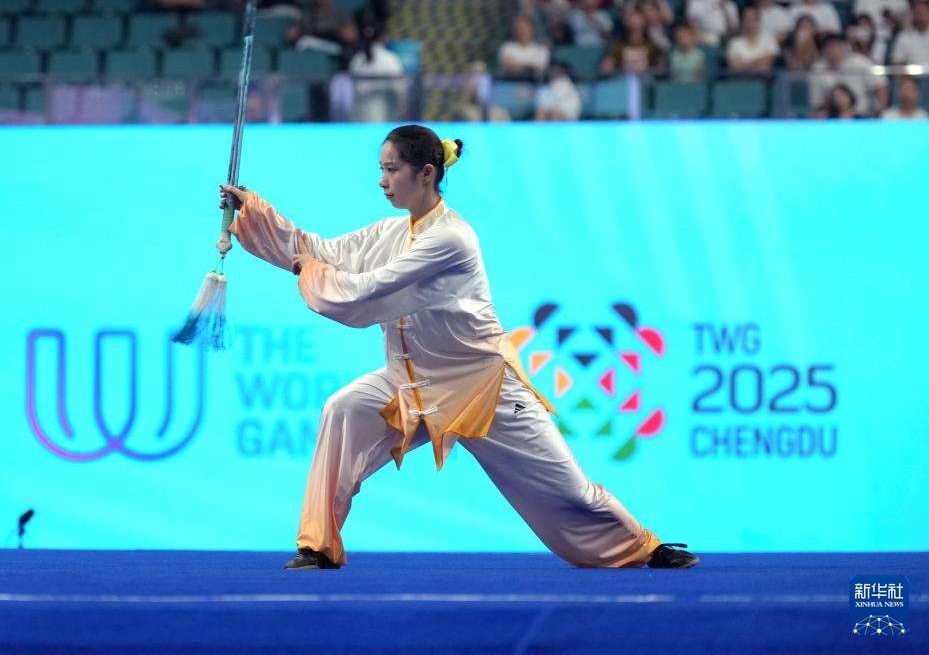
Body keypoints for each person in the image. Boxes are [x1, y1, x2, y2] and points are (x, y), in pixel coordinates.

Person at [219, 124, 701, 571]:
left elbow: (363, 292)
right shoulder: (388, 232)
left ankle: (645, 546)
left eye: (392, 170)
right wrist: (253, 211)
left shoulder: (452, 238)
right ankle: (317, 546)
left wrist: (308, 270)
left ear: (426, 173)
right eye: (380, 169)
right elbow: (316, 248)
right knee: (343, 409)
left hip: (482, 389)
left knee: (569, 491)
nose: (382, 181)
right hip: (410, 384)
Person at [600, 7, 666, 75]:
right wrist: (620, 71)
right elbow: (606, 68)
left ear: (644, 21)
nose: (634, 21)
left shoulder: (652, 45)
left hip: (646, 79)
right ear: (625, 22)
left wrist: (648, 71)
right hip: (625, 78)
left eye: (638, 18)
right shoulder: (618, 45)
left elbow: (661, 68)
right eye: (631, 18)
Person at [726, 6, 780, 75]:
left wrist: (744, 65)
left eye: (753, 19)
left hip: (763, 78)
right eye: (747, 19)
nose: (750, 23)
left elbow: (766, 63)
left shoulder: (769, 39)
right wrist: (758, 62)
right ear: (742, 21)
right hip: (740, 78)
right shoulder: (734, 42)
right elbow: (735, 66)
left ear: (758, 21)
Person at [497, 15, 551, 80]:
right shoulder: (507, 47)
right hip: (510, 82)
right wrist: (530, 65)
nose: (522, 31)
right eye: (519, 28)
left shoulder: (541, 49)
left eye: (525, 28)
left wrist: (516, 64)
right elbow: (507, 64)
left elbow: (541, 66)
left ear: (532, 29)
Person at [889, 0, 929, 66]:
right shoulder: (903, 37)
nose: (921, 17)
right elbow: (896, 63)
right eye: (918, 13)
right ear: (913, 15)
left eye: (924, 13)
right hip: (913, 72)